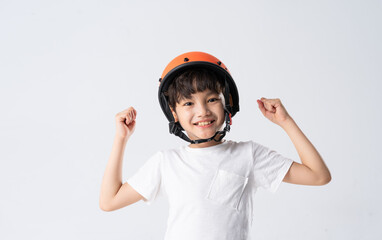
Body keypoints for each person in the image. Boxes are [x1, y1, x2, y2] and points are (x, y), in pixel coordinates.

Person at [99, 51, 331, 240]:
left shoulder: (248, 154)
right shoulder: (166, 162)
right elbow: (109, 201)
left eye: (211, 99)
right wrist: (121, 139)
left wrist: (285, 122)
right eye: (188, 103)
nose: (202, 111)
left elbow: (318, 176)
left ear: (227, 102)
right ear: (174, 113)